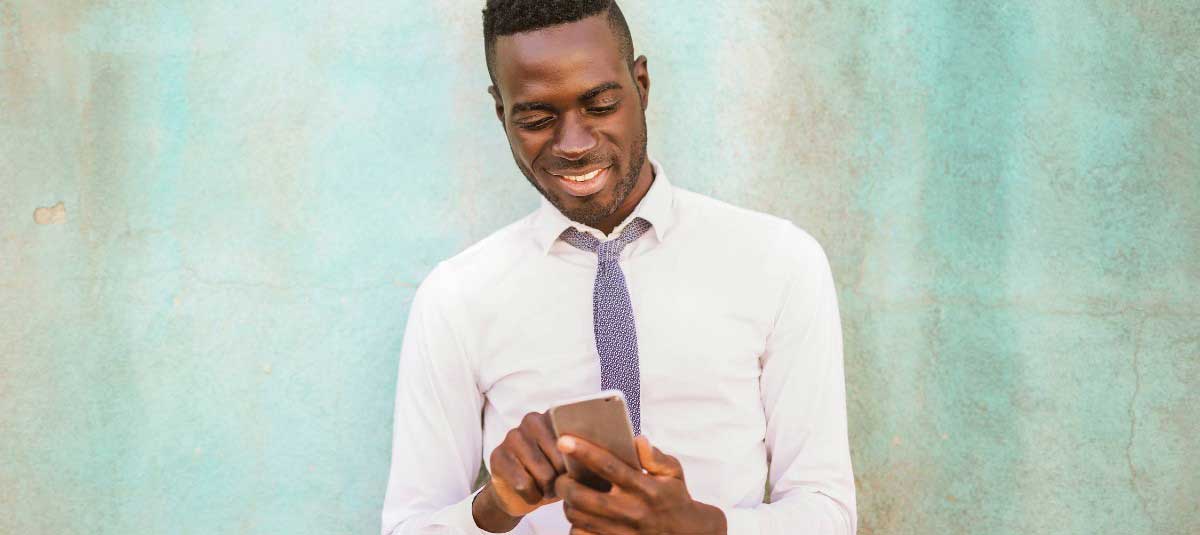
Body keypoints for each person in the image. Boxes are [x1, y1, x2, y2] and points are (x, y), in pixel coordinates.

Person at [381, 1, 857, 533]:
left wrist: (702, 528)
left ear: (642, 86)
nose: (575, 145)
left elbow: (826, 511)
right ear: (502, 114)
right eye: (537, 119)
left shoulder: (779, 263)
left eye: (602, 105)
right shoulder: (457, 297)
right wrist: (494, 507)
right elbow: (408, 527)